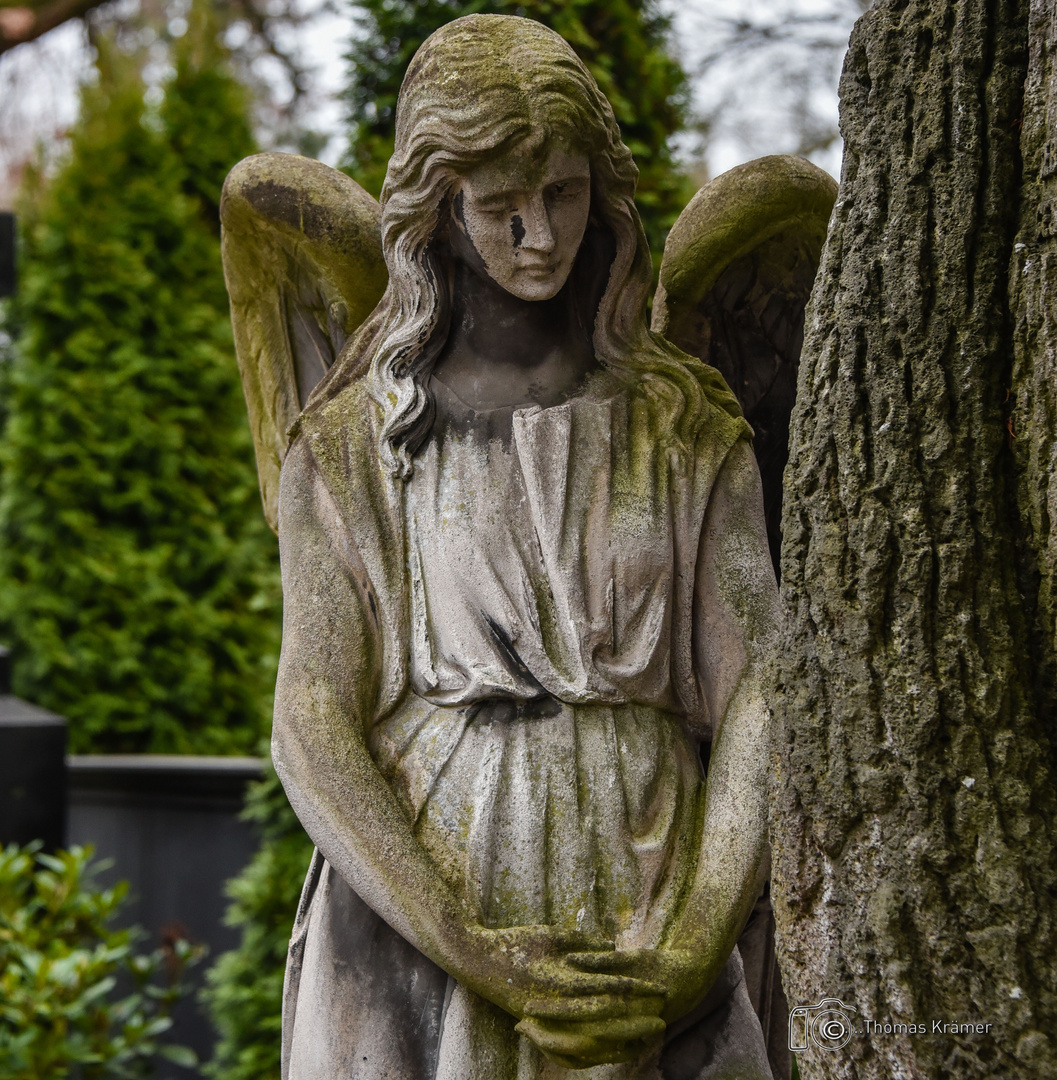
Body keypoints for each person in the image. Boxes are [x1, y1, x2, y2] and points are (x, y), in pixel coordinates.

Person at [272, 14, 779, 1079]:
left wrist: (693, 947)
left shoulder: (682, 426)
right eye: (499, 208)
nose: (539, 236)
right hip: (424, 921)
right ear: (439, 216)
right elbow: (312, 720)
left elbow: (763, 691)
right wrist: (467, 948)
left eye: (563, 194)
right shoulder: (356, 440)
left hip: (646, 898)